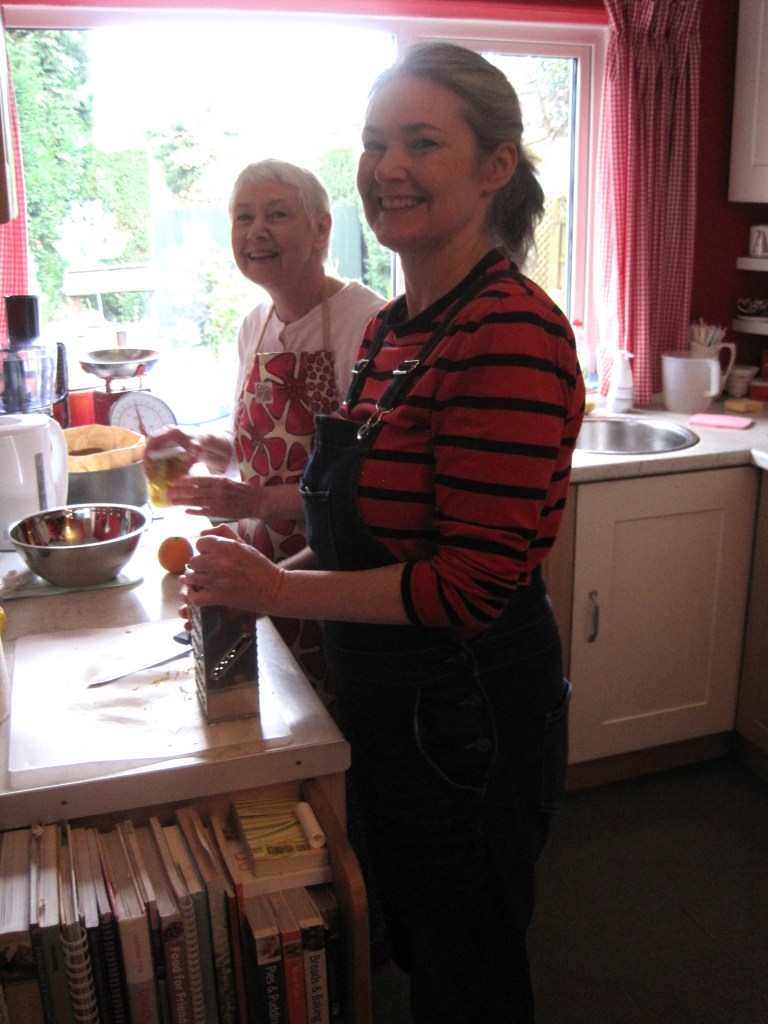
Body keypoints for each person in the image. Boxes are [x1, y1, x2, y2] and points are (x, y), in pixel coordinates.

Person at [183, 43, 585, 1024]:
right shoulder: (395, 328)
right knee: (412, 928)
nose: (387, 167)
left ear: (495, 166)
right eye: (373, 144)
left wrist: (279, 591)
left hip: (464, 714)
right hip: (390, 699)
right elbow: (367, 528)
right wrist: (255, 573)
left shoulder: (510, 332)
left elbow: (468, 584)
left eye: (421, 142)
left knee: (468, 966)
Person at [145, 159, 384, 691]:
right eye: (243, 217)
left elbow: (362, 491)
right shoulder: (255, 324)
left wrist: (253, 501)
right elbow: (257, 449)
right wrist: (200, 444)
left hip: (328, 573)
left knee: (323, 712)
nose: (256, 232)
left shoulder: (366, 321)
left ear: (321, 229)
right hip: (259, 565)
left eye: (277, 214)